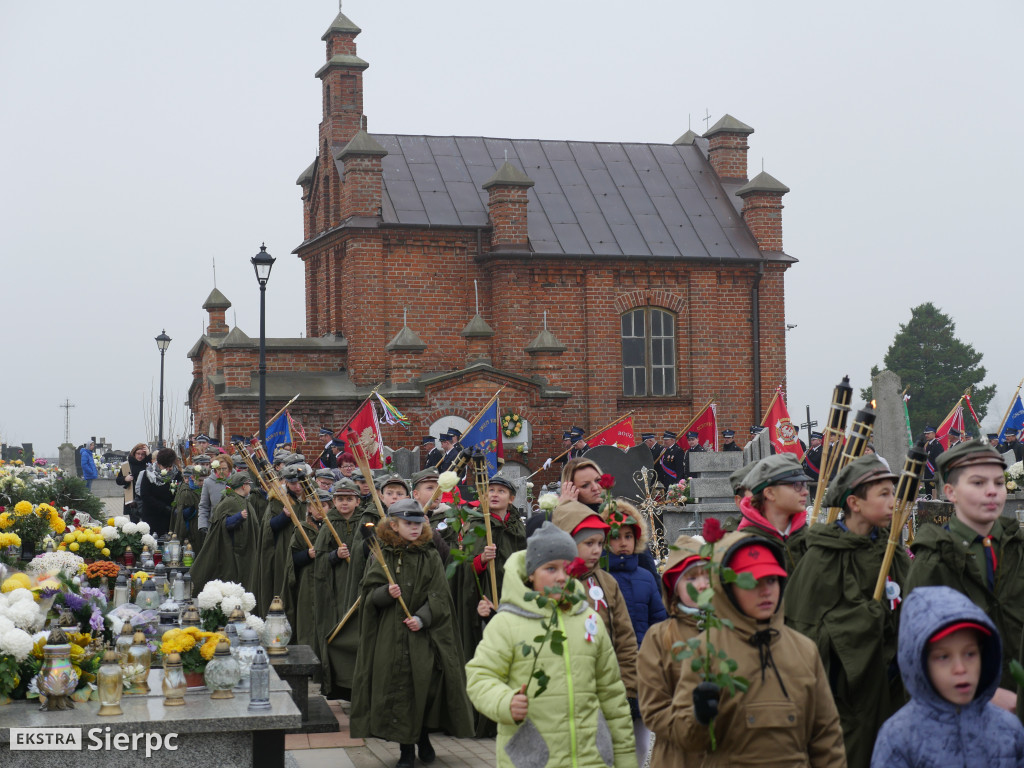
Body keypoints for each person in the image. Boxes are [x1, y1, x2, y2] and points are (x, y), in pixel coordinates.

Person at [465, 521, 637, 768]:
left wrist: (625, 758)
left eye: (567, 569)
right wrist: (505, 702)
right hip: (532, 759)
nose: (560, 577)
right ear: (531, 572)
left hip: (591, 758)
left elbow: (612, 695)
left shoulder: (590, 620)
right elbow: (480, 676)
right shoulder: (506, 623)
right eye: (550, 568)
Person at [668, 533, 845, 766]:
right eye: (751, 582)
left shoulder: (804, 650)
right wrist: (698, 717)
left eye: (772, 580)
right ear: (726, 587)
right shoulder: (707, 650)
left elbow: (827, 737)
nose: (765, 591)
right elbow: (685, 738)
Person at [785, 454, 905, 768]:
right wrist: (859, 624)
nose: (894, 502)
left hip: (896, 693)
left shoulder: (893, 551)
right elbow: (802, 634)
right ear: (854, 502)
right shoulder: (822, 556)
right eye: (883, 494)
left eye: (893, 493)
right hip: (847, 701)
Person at [350, 499, 474, 767]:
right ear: (393, 525)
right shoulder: (382, 554)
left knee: (425, 688)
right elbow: (368, 595)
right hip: (389, 636)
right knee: (399, 689)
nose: (415, 528)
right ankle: (406, 749)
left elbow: (440, 595)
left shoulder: (429, 555)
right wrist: (386, 593)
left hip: (422, 636)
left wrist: (422, 617)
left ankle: (423, 737)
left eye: (419, 523)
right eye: (408, 523)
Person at [905, 438, 1024, 710]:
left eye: (998, 482)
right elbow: (919, 654)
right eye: (978, 483)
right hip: (963, 711)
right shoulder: (933, 560)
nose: (992, 492)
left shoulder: (1017, 547)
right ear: (951, 492)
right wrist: (984, 695)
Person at [871, 585, 1024, 767]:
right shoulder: (898, 738)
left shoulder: (1009, 729)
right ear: (919, 663)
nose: (960, 668)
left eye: (970, 654)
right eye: (943, 657)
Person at [451, 474, 527, 736]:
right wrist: (482, 559)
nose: (494, 495)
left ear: (511, 497)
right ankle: (483, 719)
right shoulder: (475, 525)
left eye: (501, 491)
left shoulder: (518, 526)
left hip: (513, 598)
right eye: (489, 491)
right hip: (484, 597)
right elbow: (464, 567)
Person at [551, 496, 640, 706]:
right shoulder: (551, 582)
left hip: (603, 685)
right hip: (561, 688)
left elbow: (625, 637)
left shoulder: (606, 582)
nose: (596, 550)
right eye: (588, 543)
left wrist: (627, 685)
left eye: (600, 543)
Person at [638, 535, 708, 768]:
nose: (701, 584)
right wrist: (696, 723)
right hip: (678, 757)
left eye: (707, 575)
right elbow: (653, 709)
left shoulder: (732, 630)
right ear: (674, 587)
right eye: (691, 578)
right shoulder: (659, 637)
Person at [605, 499, 666, 764]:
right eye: (616, 536)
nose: (623, 542)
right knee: (609, 739)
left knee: (641, 740)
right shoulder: (598, 578)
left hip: (642, 667)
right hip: (609, 668)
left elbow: (658, 621)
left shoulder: (645, 577)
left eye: (628, 536)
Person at [315, 478, 363, 700]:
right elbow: (319, 560)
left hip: (360, 584)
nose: (345, 503)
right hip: (337, 587)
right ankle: (339, 682)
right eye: (340, 499)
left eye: (349, 499)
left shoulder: (365, 523)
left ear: (357, 501)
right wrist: (335, 555)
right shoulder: (328, 524)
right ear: (333, 501)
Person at [736, 454, 811, 571]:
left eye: (804, 485)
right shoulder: (744, 544)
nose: (805, 492)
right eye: (797, 485)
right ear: (770, 493)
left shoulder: (810, 538)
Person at [189, 471, 259, 595]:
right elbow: (224, 524)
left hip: (244, 551)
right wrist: (238, 518)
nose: (250, 487)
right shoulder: (230, 502)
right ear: (244, 485)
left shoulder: (243, 500)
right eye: (249, 484)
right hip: (232, 552)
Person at [254, 463, 308, 616]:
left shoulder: (312, 498)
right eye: (292, 483)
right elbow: (269, 528)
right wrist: (284, 516)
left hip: (306, 550)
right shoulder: (278, 499)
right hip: (284, 551)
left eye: (300, 483)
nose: (297, 487)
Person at [283, 487, 327, 648]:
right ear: (309, 508)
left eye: (325, 505)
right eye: (316, 505)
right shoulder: (303, 529)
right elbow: (292, 559)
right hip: (308, 582)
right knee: (308, 620)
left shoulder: (333, 529)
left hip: (328, 583)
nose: (320, 509)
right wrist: (307, 555)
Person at [136, 447, 181, 537]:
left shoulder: (177, 474)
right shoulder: (149, 474)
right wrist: (164, 507)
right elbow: (145, 495)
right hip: (152, 515)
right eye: (165, 467)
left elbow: (179, 492)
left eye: (170, 466)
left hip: (170, 517)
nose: (168, 469)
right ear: (158, 464)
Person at [197, 455, 234, 543]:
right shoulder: (208, 482)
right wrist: (203, 525)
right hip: (214, 527)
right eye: (218, 469)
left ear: (229, 468)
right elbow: (204, 506)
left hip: (234, 525)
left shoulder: (236, 480)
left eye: (224, 469)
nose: (221, 472)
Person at [116, 443, 149, 518]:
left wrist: (149, 454)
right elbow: (118, 480)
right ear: (134, 453)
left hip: (145, 498)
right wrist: (125, 479)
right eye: (138, 454)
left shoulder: (148, 464)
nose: (140, 456)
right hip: (132, 499)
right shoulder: (127, 465)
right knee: (134, 523)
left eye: (143, 454)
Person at [921, 426, 943, 496]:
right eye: (925, 434)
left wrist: (935, 474)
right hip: (928, 474)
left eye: (928, 433)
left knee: (934, 496)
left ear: (934, 434)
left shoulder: (937, 445)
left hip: (934, 475)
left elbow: (939, 461)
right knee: (928, 494)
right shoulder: (927, 446)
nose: (926, 435)